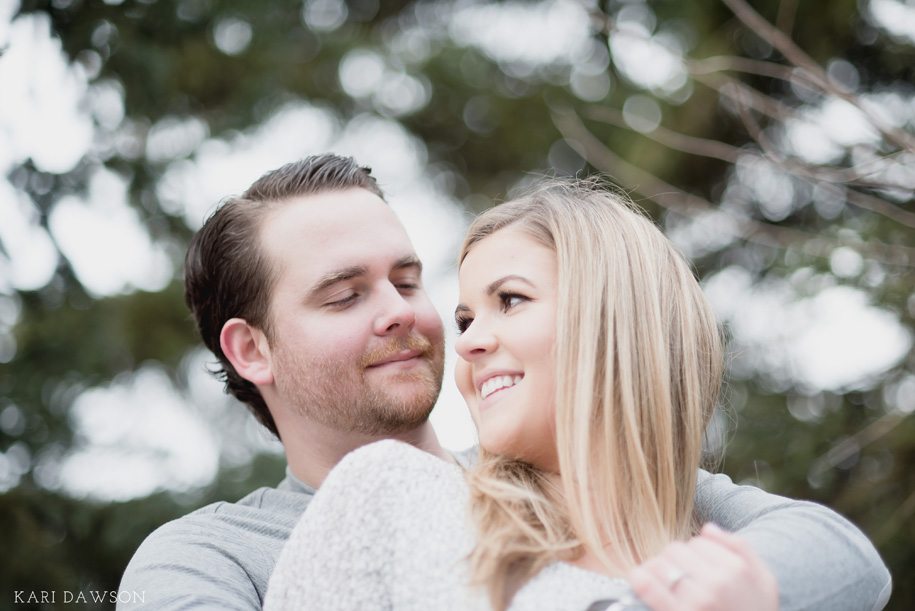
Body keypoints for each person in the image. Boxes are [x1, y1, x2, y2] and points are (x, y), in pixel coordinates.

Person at [118, 155, 891, 610]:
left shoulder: (558, 481)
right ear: (251, 349)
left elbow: (842, 558)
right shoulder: (206, 556)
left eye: (408, 280)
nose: (402, 314)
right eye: (346, 294)